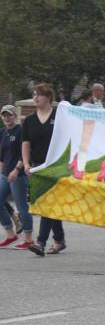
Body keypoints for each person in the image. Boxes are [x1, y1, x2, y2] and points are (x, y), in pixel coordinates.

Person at [23, 83, 65, 257]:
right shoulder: (30, 120)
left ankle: (40, 242)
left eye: (39, 94)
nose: (35, 98)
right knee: (50, 205)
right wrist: (26, 164)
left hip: (56, 167)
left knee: (48, 205)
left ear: (48, 97)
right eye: (34, 94)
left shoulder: (60, 117)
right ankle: (59, 240)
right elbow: (25, 143)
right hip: (38, 167)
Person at [0, 105, 32, 249]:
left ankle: (28, 238)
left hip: (18, 174)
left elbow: (23, 153)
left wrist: (16, 169)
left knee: (21, 207)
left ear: (15, 116)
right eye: (4, 115)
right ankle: (10, 234)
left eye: (9, 115)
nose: (7, 118)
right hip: (5, 174)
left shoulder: (21, 130)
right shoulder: (2, 132)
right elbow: (2, 157)